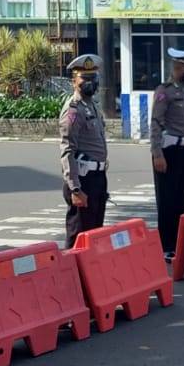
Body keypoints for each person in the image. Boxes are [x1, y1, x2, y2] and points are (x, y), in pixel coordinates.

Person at [151, 48, 184, 263]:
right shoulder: (165, 91)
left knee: (182, 199)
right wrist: (157, 154)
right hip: (168, 151)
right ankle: (166, 246)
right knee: (167, 201)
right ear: (179, 68)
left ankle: (179, 243)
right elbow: (156, 123)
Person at [58, 54, 108, 248]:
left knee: (94, 234)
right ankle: (72, 275)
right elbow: (67, 150)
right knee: (78, 234)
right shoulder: (73, 111)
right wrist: (75, 188)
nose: (90, 83)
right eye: (85, 78)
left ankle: (89, 274)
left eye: (93, 78)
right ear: (74, 81)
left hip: (97, 177)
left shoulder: (93, 106)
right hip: (82, 180)